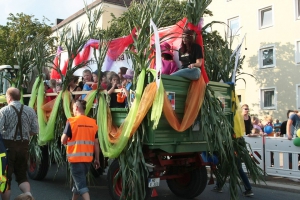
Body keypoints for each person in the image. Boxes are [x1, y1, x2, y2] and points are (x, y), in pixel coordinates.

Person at [0, 87, 38, 200]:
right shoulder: (30, 110)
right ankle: (29, 197)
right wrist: (25, 135)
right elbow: (35, 130)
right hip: (23, 146)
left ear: (9, 97)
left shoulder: (4, 111)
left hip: (7, 148)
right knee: (22, 176)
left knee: (5, 178)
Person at [61, 100, 100, 200]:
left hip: (75, 159)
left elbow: (63, 140)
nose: (73, 111)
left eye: (73, 108)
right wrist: (97, 159)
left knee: (81, 186)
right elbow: (96, 143)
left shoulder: (72, 121)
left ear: (77, 108)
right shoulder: (93, 123)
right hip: (87, 160)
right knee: (78, 183)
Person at [213, 104, 254, 197]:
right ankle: (219, 185)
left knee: (236, 168)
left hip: (233, 147)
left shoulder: (236, 120)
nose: (246, 110)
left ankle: (248, 189)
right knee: (227, 166)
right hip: (234, 146)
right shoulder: (236, 119)